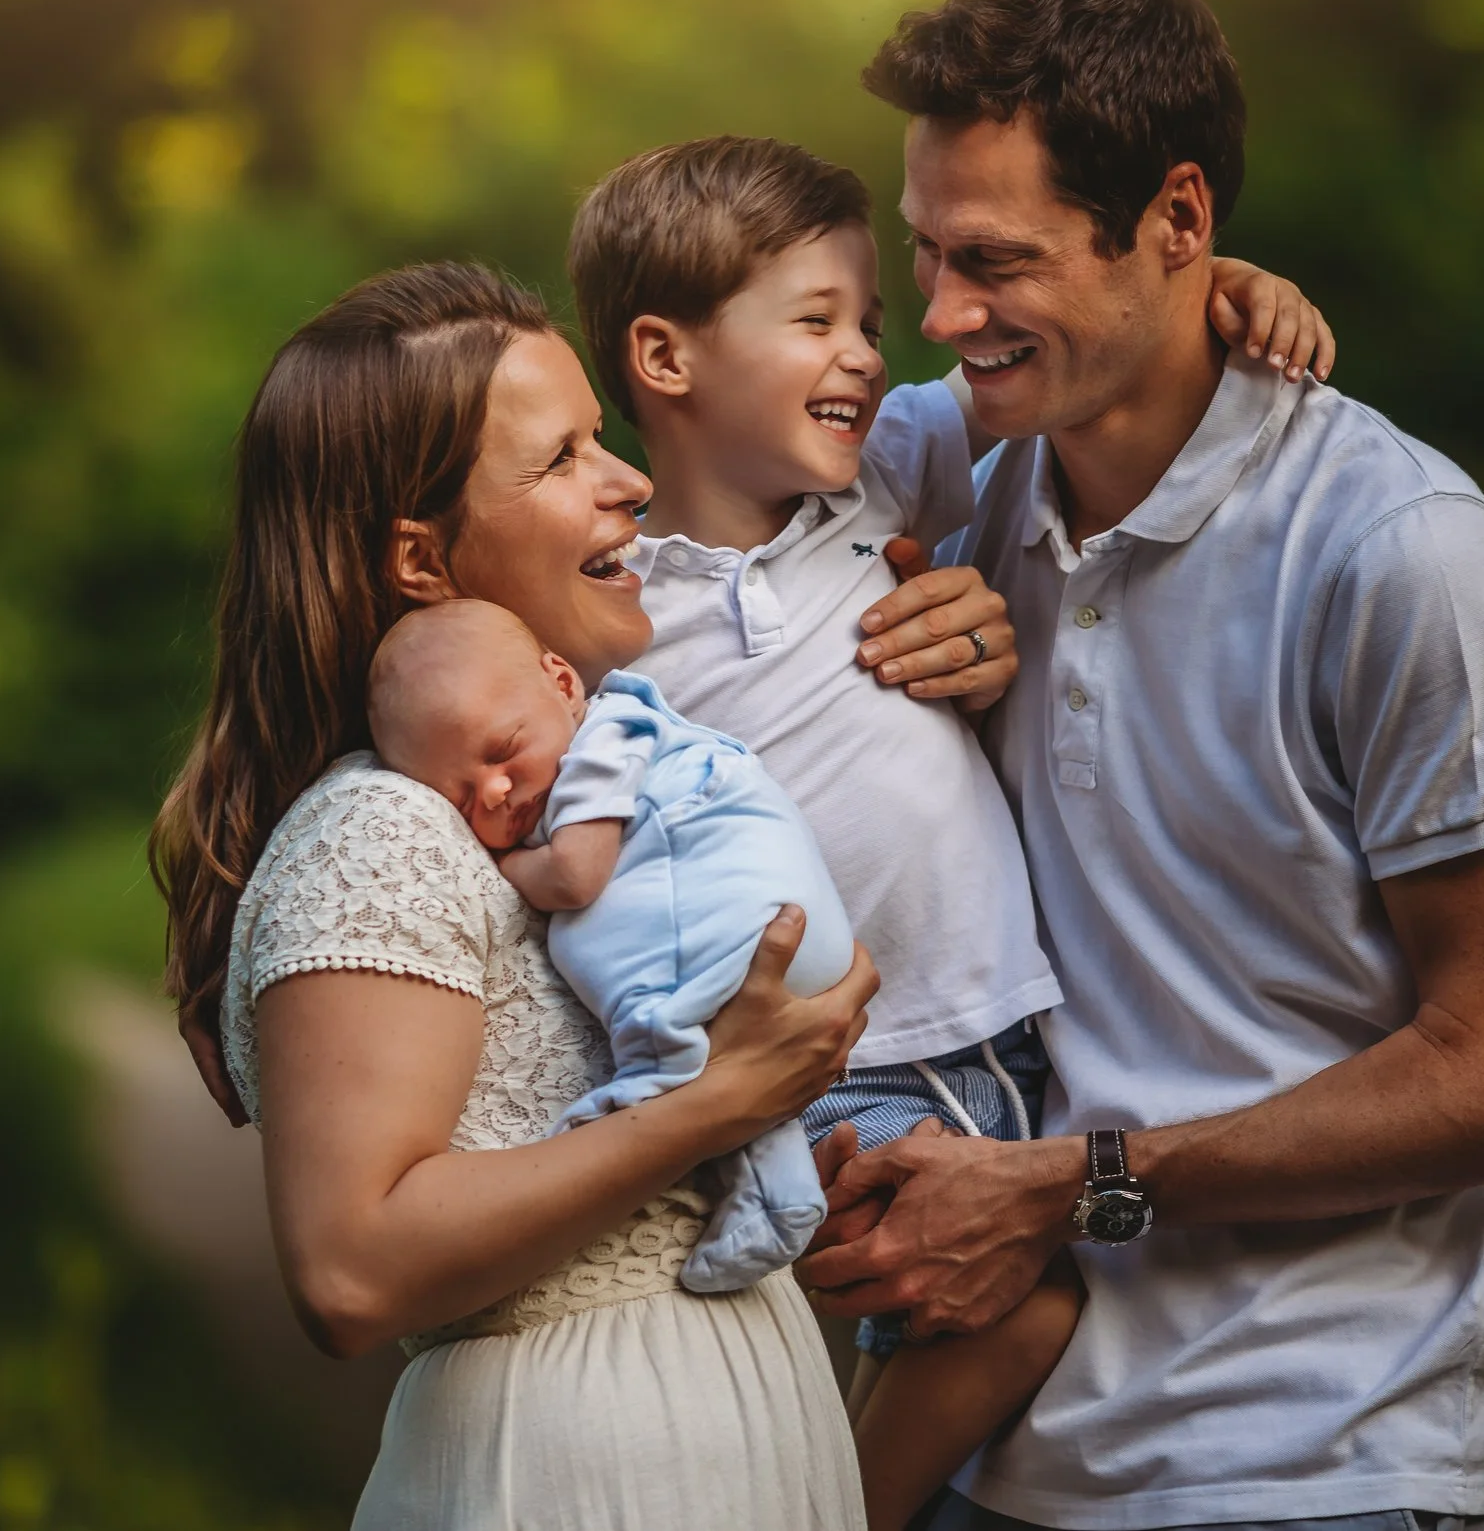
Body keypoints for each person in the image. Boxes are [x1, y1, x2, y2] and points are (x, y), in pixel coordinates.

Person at [801, 0, 1484, 1531]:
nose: (944, 315)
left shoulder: (1404, 554)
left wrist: (1067, 1183)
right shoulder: (964, 481)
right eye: (927, 255)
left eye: (996, 261)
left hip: (1317, 1461)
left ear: (1176, 219)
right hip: (998, 1451)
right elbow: (653, 522)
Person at [147, 259, 1008, 1528]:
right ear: (421, 558)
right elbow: (348, 1267)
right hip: (559, 1474)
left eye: (602, 439)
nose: (633, 481)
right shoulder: (378, 827)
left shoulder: (584, 782)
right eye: (559, 460)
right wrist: (713, 1105)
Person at [566, 132, 1333, 1530]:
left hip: (989, 1022)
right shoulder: (609, 595)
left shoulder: (885, 473)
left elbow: (1108, 338)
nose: (869, 352)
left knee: (987, 1310)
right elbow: (440, 698)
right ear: (666, 361)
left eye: (867, 317)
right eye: (817, 323)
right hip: (820, 1050)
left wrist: (1229, 280)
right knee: (987, 1310)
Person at [365, 596, 856, 1292]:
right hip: (777, 949)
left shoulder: (607, 734)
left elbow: (575, 872)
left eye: (503, 751)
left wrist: (505, 867)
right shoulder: (569, 751)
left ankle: (632, 1123)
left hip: (749, 928)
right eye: (464, 799)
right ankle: (778, 1190)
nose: (498, 790)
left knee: (653, 1080)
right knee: (710, 1065)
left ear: (563, 684)